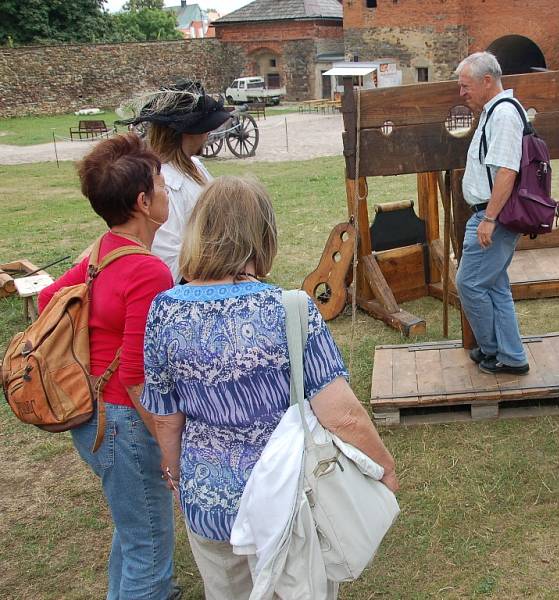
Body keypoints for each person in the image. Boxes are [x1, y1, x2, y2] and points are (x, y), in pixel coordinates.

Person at [140, 177, 398, 600]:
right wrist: (383, 467)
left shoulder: (163, 311)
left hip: (208, 498)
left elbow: (166, 416)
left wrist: (175, 470)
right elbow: (343, 415)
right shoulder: (290, 310)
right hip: (286, 503)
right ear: (263, 235)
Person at [38, 133, 178, 598]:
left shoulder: (103, 250)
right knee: (150, 546)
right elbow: (137, 377)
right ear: (142, 201)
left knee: (135, 528)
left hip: (91, 418)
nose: (166, 193)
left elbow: (45, 300)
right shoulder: (148, 271)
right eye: (161, 184)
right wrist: (168, 447)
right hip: (122, 425)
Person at [455, 51, 529, 375]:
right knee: (495, 286)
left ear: (487, 81)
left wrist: (489, 219)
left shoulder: (502, 115)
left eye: (465, 85)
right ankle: (511, 355)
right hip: (488, 214)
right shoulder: (493, 112)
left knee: (469, 284)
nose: (462, 93)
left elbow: (507, 171)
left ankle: (493, 350)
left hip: (491, 217)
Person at [119, 79, 230, 282]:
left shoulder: (195, 165)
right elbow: (168, 257)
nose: (208, 134)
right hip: (192, 282)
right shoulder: (164, 183)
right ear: (188, 132)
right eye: (205, 128)